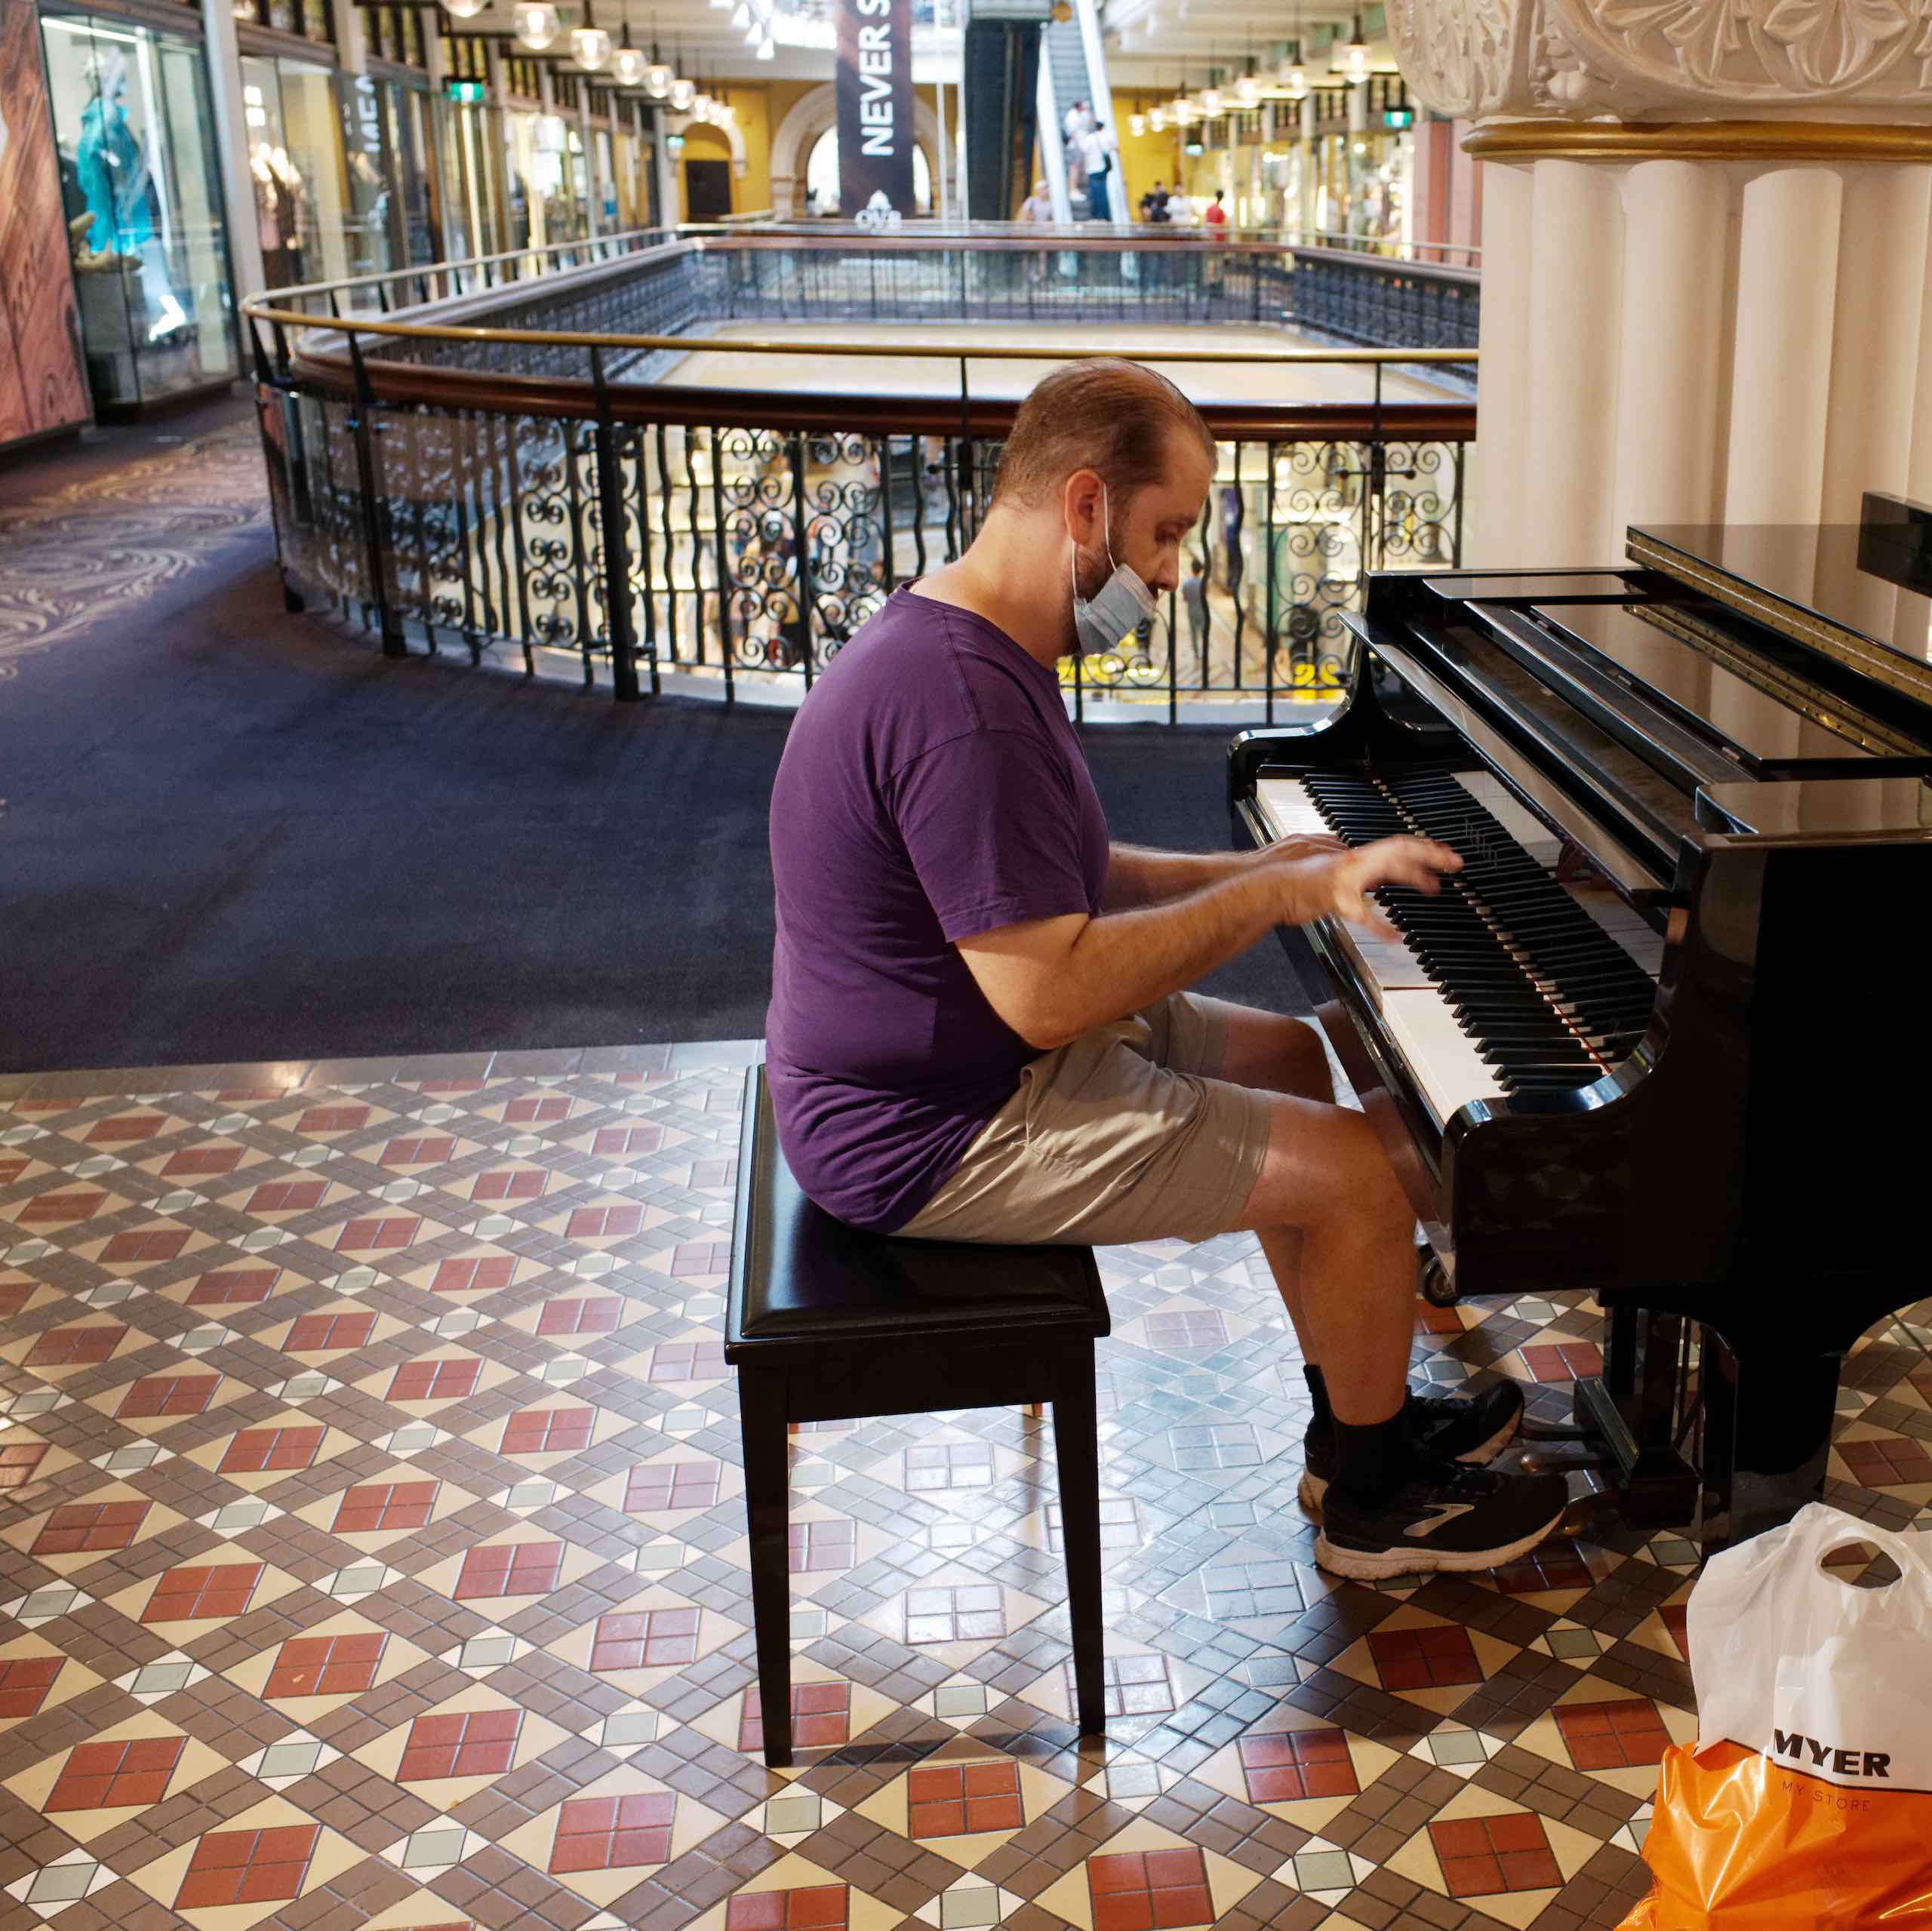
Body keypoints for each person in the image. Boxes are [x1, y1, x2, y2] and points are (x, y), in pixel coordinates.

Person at [764, 358, 1568, 1582]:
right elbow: (1049, 991)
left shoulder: (965, 632)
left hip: (950, 1060)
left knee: (1298, 1057)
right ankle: (1377, 1501)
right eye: (1166, 533)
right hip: (931, 1125)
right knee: (1358, 1178)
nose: (1172, 572)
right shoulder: (964, 701)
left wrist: (1247, 867)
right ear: (1085, 505)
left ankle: (1352, 1417)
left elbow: (1063, 873)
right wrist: (1272, 893)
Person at [1078, 121, 1117, 221]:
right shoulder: (1107, 137)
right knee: (1103, 192)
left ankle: (1096, 215)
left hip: (1093, 169)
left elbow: (1083, 149)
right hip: (1104, 168)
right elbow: (1115, 147)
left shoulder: (1090, 138)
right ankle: (1106, 215)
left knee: (1095, 193)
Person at [1181, 554, 1209, 680]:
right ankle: (1204, 653)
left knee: (1193, 634)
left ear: (1192, 569)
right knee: (1204, 634)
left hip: (1191, 611)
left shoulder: (1187, 584)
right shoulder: (1204, 584)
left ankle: (1196, 654)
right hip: (1203, 611)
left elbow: (1185, 598)